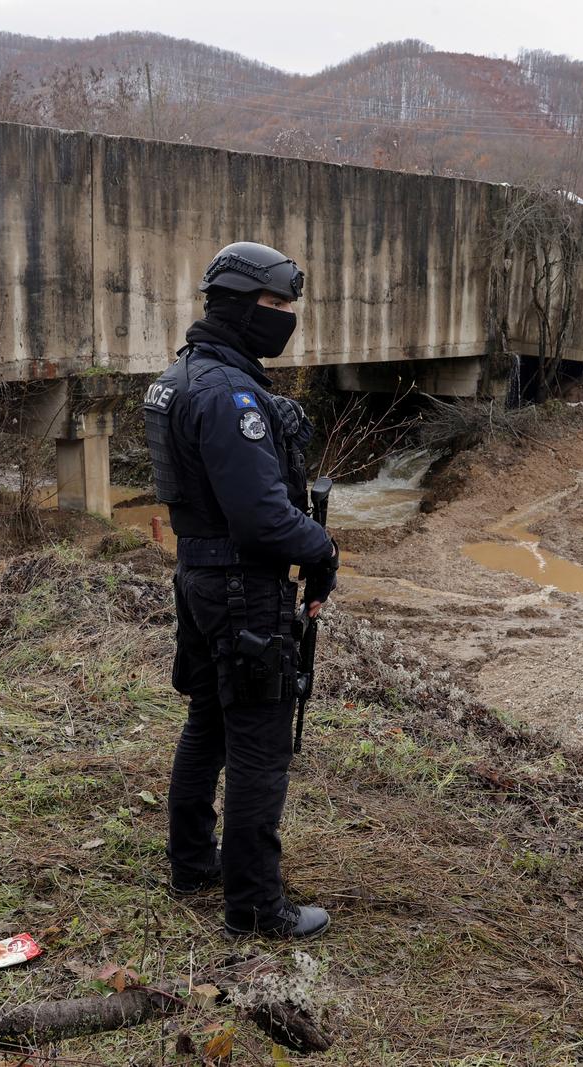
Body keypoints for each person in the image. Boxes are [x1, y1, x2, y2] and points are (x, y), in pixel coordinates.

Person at [142, 241, 340, 940]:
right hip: (239, 586)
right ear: (237, 305)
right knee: (259, 743)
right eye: (276, 305)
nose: (286, 318)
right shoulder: (231, 395)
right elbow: (261, 516)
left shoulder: (179, 375)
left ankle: (194, 862)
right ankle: (256, 905)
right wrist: (321, 548)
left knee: (210, 722)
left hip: (198, 575)